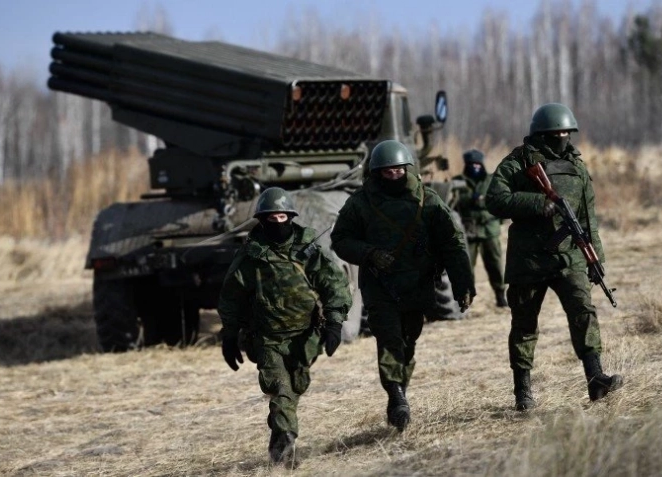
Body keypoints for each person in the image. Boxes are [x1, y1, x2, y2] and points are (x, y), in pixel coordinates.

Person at [485, 103, 623, 411]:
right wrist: (537, 203)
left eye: (566, 133)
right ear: (542, 134)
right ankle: (523, 392)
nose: (562, 138)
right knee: (524, 325)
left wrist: (595, 258)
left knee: (584, 312)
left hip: (569, 257)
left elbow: (588, 218)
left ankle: (596, 379)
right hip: (529, 260)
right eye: (556, 133)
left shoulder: (577, 166)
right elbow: (494, 198)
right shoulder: (519, 161)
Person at [330, 139, 475, 432]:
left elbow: (452, 243)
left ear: (408, 169)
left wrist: (463, 285)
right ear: (377, 173)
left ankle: (399, 392)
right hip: (379, 287)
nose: (394, 175)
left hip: (417, 286)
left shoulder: (427, 200)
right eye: (388, 171)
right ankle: (396, 396)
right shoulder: (361, 203)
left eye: (399, 170)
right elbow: (341, 240)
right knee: (389, 340)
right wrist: (369, 254)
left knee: (408, 343)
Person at [217, 187, 352, 463]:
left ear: (290, 217)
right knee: (279, 387)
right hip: (267, 338)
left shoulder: (307, 250)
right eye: (271, 218)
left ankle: (279, 434)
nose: (278, 223)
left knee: (296, 386)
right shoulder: (251, 257)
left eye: (282, 217)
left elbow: (334, 284)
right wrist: (229, 335)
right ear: (261, 220)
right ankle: (286, 442)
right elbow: (231, 298)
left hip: (304, 337)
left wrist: (335, 323)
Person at [451, 149, 508, 308]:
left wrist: (483, 202)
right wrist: (471, 199)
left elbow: (500, 200)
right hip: (469, 230)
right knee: (467, 266)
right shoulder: (458, 182)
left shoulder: (492, 180)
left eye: (477, 164)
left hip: (490, 229)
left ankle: (500, 295)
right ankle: (467, 298)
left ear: (482, 165)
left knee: (495, 264)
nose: (475, 167)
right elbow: (454, 202)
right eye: (471, 164)